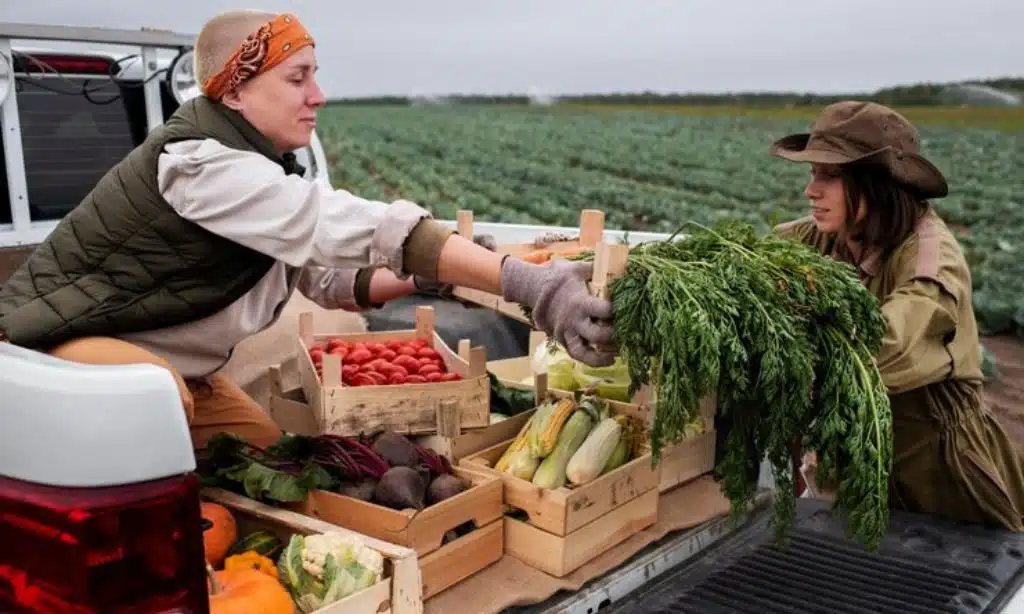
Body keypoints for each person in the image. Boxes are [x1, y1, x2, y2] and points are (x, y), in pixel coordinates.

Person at [0, 10, 616, 450]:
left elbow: (322, 277)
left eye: (315, 75)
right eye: (298, 79)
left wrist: (432, 279)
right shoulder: (197, 166)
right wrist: (525, 284)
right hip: (59, 351)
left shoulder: (255, 166)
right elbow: (332, 222)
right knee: (152, 404)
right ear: (236, 92)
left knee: (271, 461)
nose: (318, 96)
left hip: (181, 370)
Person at [770, 100, 1024, 530]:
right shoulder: (823, 237)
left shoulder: (930, 261)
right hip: (855, 463)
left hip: (939, 474)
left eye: (830, 176)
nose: (811, 191)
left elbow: (885, 346)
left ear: (877, 184)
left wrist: (776, 350)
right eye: (812, 173)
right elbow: (752, 265)